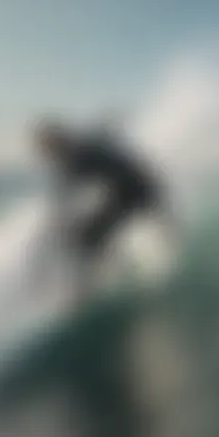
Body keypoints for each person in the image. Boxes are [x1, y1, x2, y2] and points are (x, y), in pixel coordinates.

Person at [34, 119, 174, 301]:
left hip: (136, 193)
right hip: (132, 192)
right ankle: (101, 273)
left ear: (58, 142)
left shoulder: (80, 154)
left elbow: (66, 192)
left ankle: (83, 294)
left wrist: (58, 224)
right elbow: (66, 191)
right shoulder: (81, 148)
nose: (48, 155)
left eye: (48, 149)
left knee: (86, 240)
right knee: (86, 237)